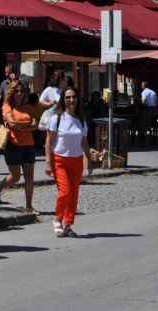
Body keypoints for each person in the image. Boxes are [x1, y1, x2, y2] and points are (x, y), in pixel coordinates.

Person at [45, 86, 89, 238]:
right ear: (63, 99)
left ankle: (68, 224)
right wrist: (47, 162)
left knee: (74, 194)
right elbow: (49, 142)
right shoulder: (56, 118)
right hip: (60, 160)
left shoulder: (81, 120)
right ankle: (57, 219)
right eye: (68, 97)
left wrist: (89, 158)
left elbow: (84, 142)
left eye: (74, 97)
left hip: (76, 160)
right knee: (65, 192)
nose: (71, 100)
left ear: (78, 99)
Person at [0, 80, 37, 212]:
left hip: (29, 145)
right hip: (13, 145)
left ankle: (29, 206)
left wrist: (21, 127)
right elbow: (12, 123)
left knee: (29, 177)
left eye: (22, 91)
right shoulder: (6, 106)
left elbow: (36, 124)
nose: (19, 93)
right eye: (16, 91)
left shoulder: (28, 106)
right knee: (15, 176)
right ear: (11, 92)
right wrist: (27, 126)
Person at [140, 81, 158, 146]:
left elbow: (143, 101)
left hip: (147, 109)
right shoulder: (153, 92)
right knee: (153, 124)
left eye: (142, 85)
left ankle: (145, 139)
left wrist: (144, 104)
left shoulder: (144, 92)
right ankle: (153, 138)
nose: (141, 86)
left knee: (145, 124)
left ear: (144, 86)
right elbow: (156, 101)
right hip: (154, 109)